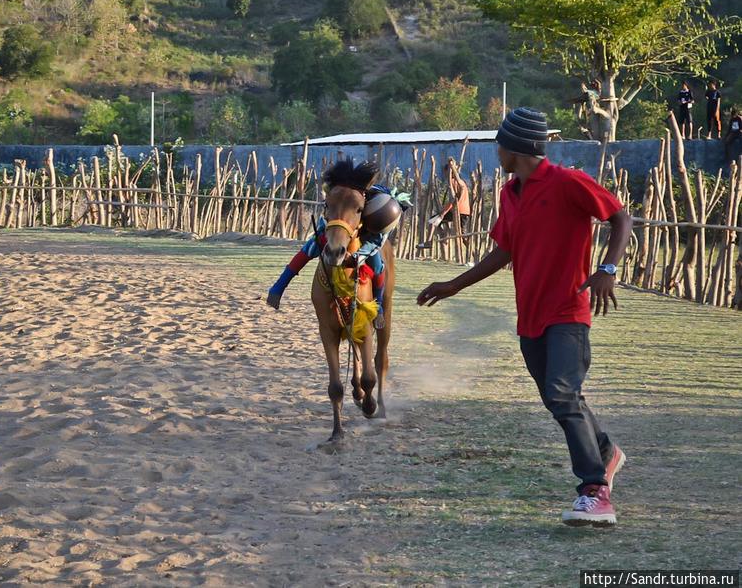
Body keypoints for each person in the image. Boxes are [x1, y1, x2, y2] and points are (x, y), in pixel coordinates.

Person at [417, 107, 633, 527]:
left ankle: (595, 491)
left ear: (516, 148)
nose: (497, 150)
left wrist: (607, 268)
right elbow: (503, 251)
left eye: (500, 144)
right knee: (562, 398)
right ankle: (606, 453)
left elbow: (620, 216)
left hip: (568, 311)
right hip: (529, 316)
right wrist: (453, 285)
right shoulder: (509, 194)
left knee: (561, 394)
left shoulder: (568, 182)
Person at [266, 183, 403, 330]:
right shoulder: (339, 190)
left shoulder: (370, 197)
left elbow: (376, 238)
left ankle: (379, 305)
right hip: (336, 229)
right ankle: (278, 287)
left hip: (363, 232)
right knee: (309, 249)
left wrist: (358, 255)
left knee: (377, 265)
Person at [418, 158, 471, 254]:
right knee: (462, 235)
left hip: (459, 211)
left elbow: (453, 200)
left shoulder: (456, 183)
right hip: (464, 212)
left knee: (433, 220)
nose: (445, 175)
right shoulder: (456, 183)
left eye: (446, 173)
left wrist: (443, 213)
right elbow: (453, 200)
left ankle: (429, 242)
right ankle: (471, 251)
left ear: (449, 172)